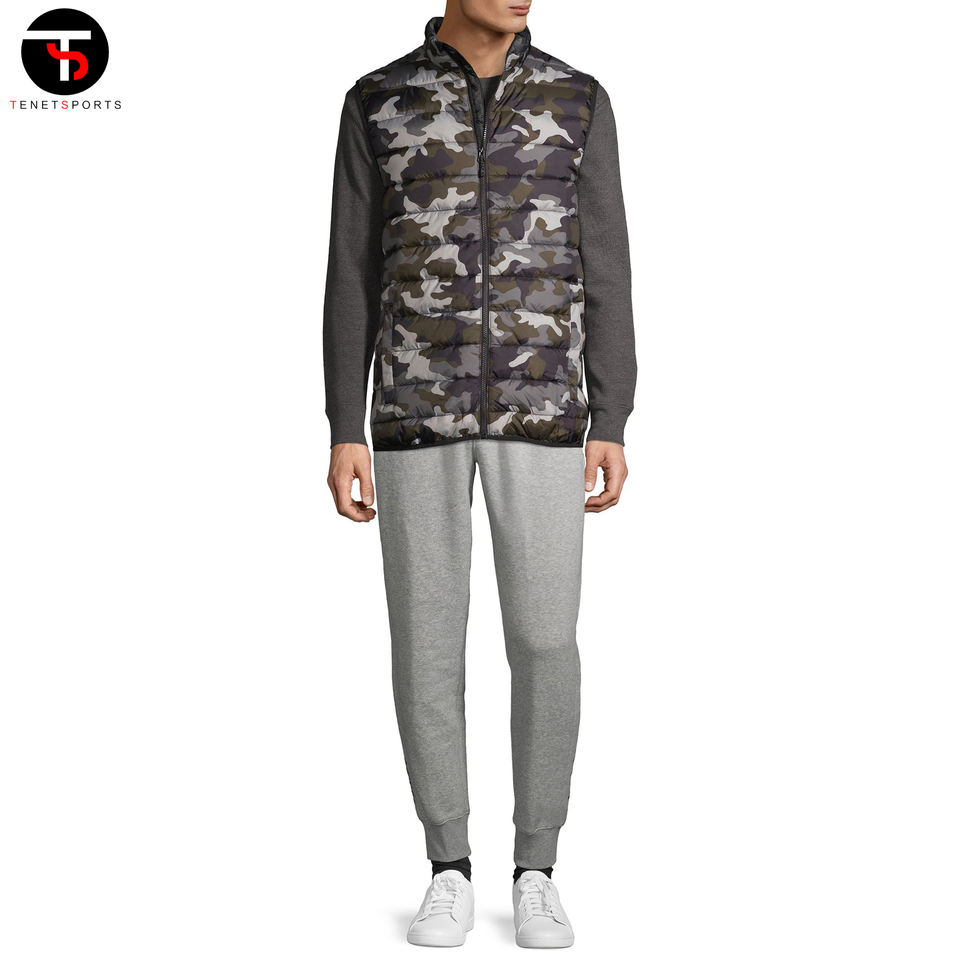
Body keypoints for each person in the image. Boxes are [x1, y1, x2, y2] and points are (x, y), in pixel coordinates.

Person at [322, 0, 636, 948]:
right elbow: (350, 272)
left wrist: (613, 414)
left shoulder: (577, 100)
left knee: (544, 642)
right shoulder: (378, 100)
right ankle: (447, 866)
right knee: (427, 650)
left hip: (545, 412)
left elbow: (607, 264)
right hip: (413, 415)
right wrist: (344, 427)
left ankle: (537, 867)